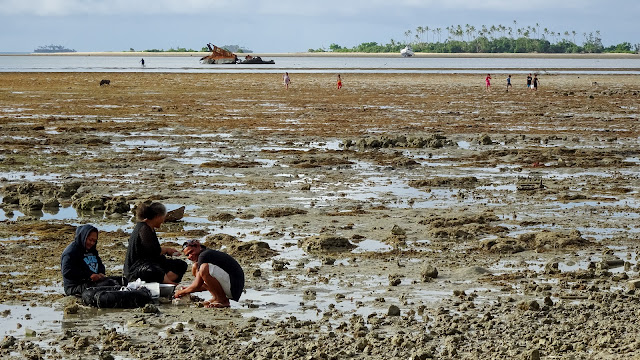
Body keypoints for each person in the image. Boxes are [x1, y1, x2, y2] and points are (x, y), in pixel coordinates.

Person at [124, 202, 187, 284]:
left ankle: (163, 282)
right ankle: (168, 283)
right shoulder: (144, 229)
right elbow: (154, 252)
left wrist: (167, 250)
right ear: (158, 217)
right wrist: (166, 250)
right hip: (137, 269)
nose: (163, 221)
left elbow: (154, 252)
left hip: (149, 263)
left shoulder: (150, 228)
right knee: (155, 269)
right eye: (163, 217)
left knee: (180, 265)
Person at [174, 240, 245, 308]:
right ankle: (216, 297)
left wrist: (181, 292)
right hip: (230, 285)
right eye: (187, 255)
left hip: (234, 287)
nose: (189, 256)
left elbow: (197, 284)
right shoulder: (204, 255)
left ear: (198, 246)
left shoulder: (203, 256)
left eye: (191, 252)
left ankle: (222, 300)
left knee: (204, 268)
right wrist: (188, 289)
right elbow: (206, 284)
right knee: (195, 267)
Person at [61, 225, 124, 296]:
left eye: (94, 241)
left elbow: (100, 264)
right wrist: (89, 275)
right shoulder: (71, 252)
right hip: (75, 286)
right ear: (84, 237)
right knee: (110, 283)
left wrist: (100, 272)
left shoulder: (92, 250)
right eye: (90, 240)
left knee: (122, 280)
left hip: (93, 282)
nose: (92, 243)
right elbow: (67, 272)